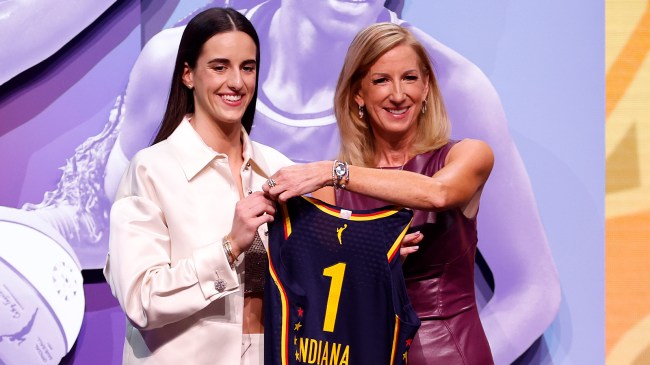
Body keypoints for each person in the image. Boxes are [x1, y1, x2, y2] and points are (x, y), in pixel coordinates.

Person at [6, 1, 560, 363]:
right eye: (223, 72)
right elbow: (118, 249)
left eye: (408, 83)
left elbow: (530, 289)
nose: (400, 96)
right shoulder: (171, 79)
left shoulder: (456, 92)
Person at [261, 22, 495, 364]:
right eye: (381, 80)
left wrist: (334, 171)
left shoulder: (469, 155)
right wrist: (372, 264)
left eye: (410, 78)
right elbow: (321, 292)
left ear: (427, 86)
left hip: (446, 350)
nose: (398, 94)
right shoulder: (333, 192)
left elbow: (438, 194)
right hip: (365, 349)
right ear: (359, 93)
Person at [102, 7, 293, 364]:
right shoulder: (151, 170)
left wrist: (374, 252)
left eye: (247, 67)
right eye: (219, 67)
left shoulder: (279, 170)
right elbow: (141, 299)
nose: (236, 82)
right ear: (188, 74)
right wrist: (229, 247)